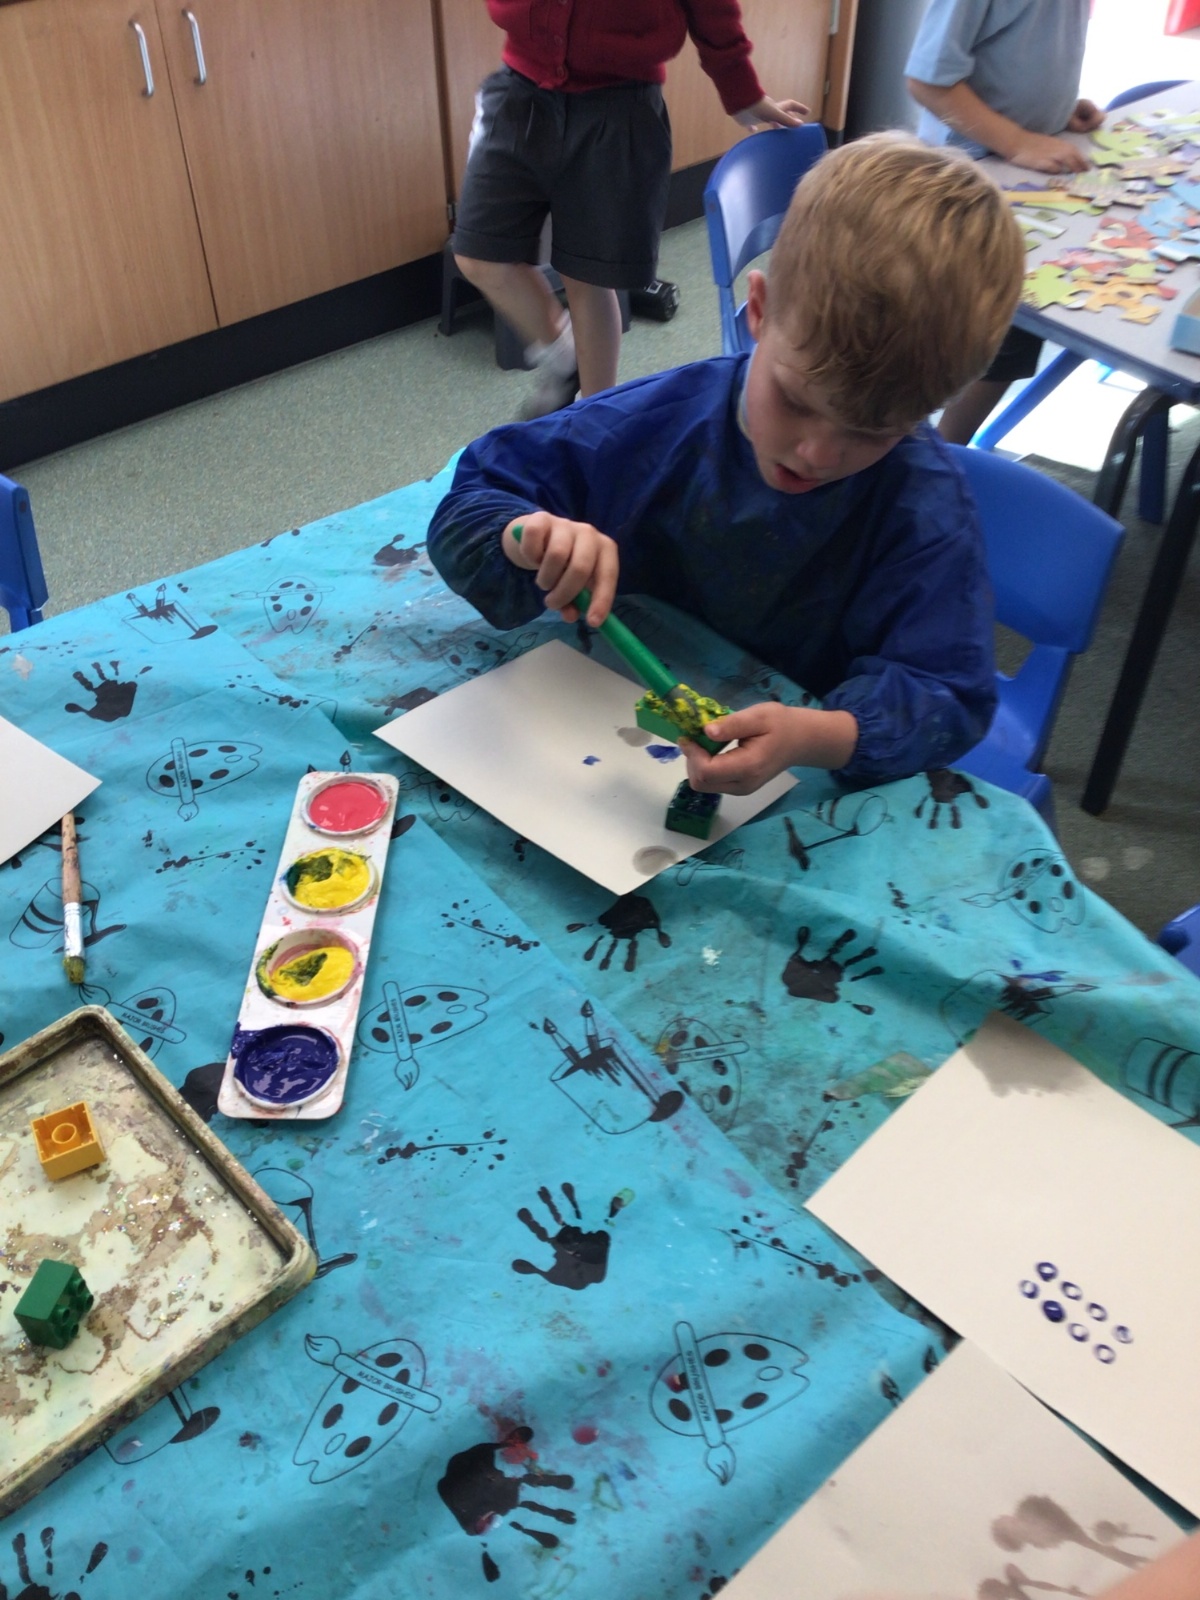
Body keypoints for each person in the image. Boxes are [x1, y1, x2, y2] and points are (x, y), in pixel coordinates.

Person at [427, 134, 1025, 795]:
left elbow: (949, 696)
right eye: (796, 401)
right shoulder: (652, 423)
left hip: (795, 779)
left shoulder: (925, 510)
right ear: (759, 311)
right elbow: (473, 501)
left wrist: (820, 735)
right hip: (586, 734)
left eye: (871, 432)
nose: (818, 453)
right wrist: (527, 537)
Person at [452, 2, 808, 420]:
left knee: (590, 276)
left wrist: (741, 91)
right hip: (519, 90)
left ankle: (597, 417)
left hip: (620, 104)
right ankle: (565, 359)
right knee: (479, 253)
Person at [903, 0, 1104, 445]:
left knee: (1021, 325)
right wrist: (1016, 140)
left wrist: (1056, 110)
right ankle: (932, 451)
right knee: (993, 324)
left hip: (1022, 174)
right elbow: (927, 81)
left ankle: (947, 453)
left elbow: (1020, 54)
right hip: (965, 177)